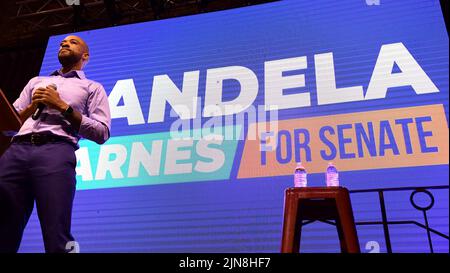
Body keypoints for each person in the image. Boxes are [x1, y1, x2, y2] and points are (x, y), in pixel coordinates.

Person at [0, 35, 111, 253]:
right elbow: (8, 125)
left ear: (85, 56)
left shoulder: (92, 87)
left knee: (57, 233)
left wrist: (61, 106)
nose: (64, 44)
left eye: (72, 42)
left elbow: (102, 132)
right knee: (3, 228)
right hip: (15, 153)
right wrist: (33, 106)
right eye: (62, 43)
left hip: (56, 151)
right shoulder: (35, 81)